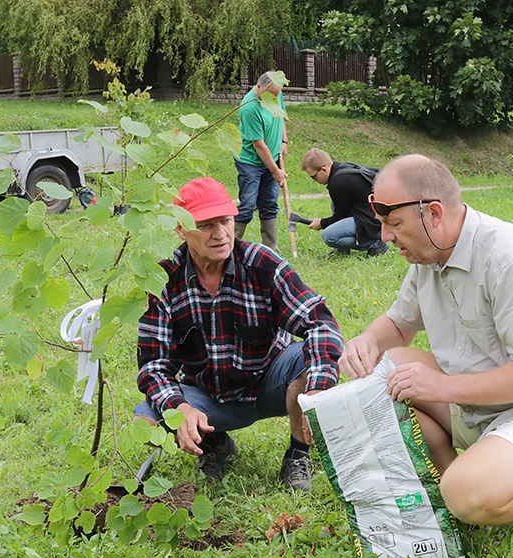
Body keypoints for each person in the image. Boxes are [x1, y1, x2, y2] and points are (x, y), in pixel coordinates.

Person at [338, 155, 513, 550]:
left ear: (433, 213)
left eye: (394, 225)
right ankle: (460, 478)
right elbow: (398, 325)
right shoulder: (429, 254)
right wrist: (368, 341)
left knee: (465, 493)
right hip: (479, 405)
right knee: (382, 367)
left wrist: (441, 387)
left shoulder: (510, 257)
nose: (384, 237)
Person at [134, 177, 343, 491]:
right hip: (208, 394)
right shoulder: (164, 280)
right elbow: (152, 365)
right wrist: (180, 408)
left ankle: (298, 454)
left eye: (226, 221)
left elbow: (321, 323)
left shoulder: (263, 264)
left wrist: (317, 391)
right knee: (146, 418)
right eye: (206, 225)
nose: (220, 234)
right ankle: (215, 443)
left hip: (269, 383)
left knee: (308, 358)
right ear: (181, 229)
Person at [234, 71, 289, 253]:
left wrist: (283, 141)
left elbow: (280, 117)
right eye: (272, 94)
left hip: (273, 158)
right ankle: (230, 245)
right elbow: (259, 145)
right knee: (248, 205)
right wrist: (275, 171)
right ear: (260, 88)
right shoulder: (249, 108)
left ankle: (271, 248)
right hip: (251, 163)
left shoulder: (275, 94)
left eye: (277, 94)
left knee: (270, 204)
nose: (276, 97)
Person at [299, 148, 388, 257]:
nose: (313, 180)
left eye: (313, 176)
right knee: (334, 202)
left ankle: (375, 243)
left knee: (329, 236)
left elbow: (339, 217)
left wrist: (321, 223)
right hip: (371, 214)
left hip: (374, 222)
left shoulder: (338, 183)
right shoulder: (342, 169)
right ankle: (342, 249)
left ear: (324, 169)